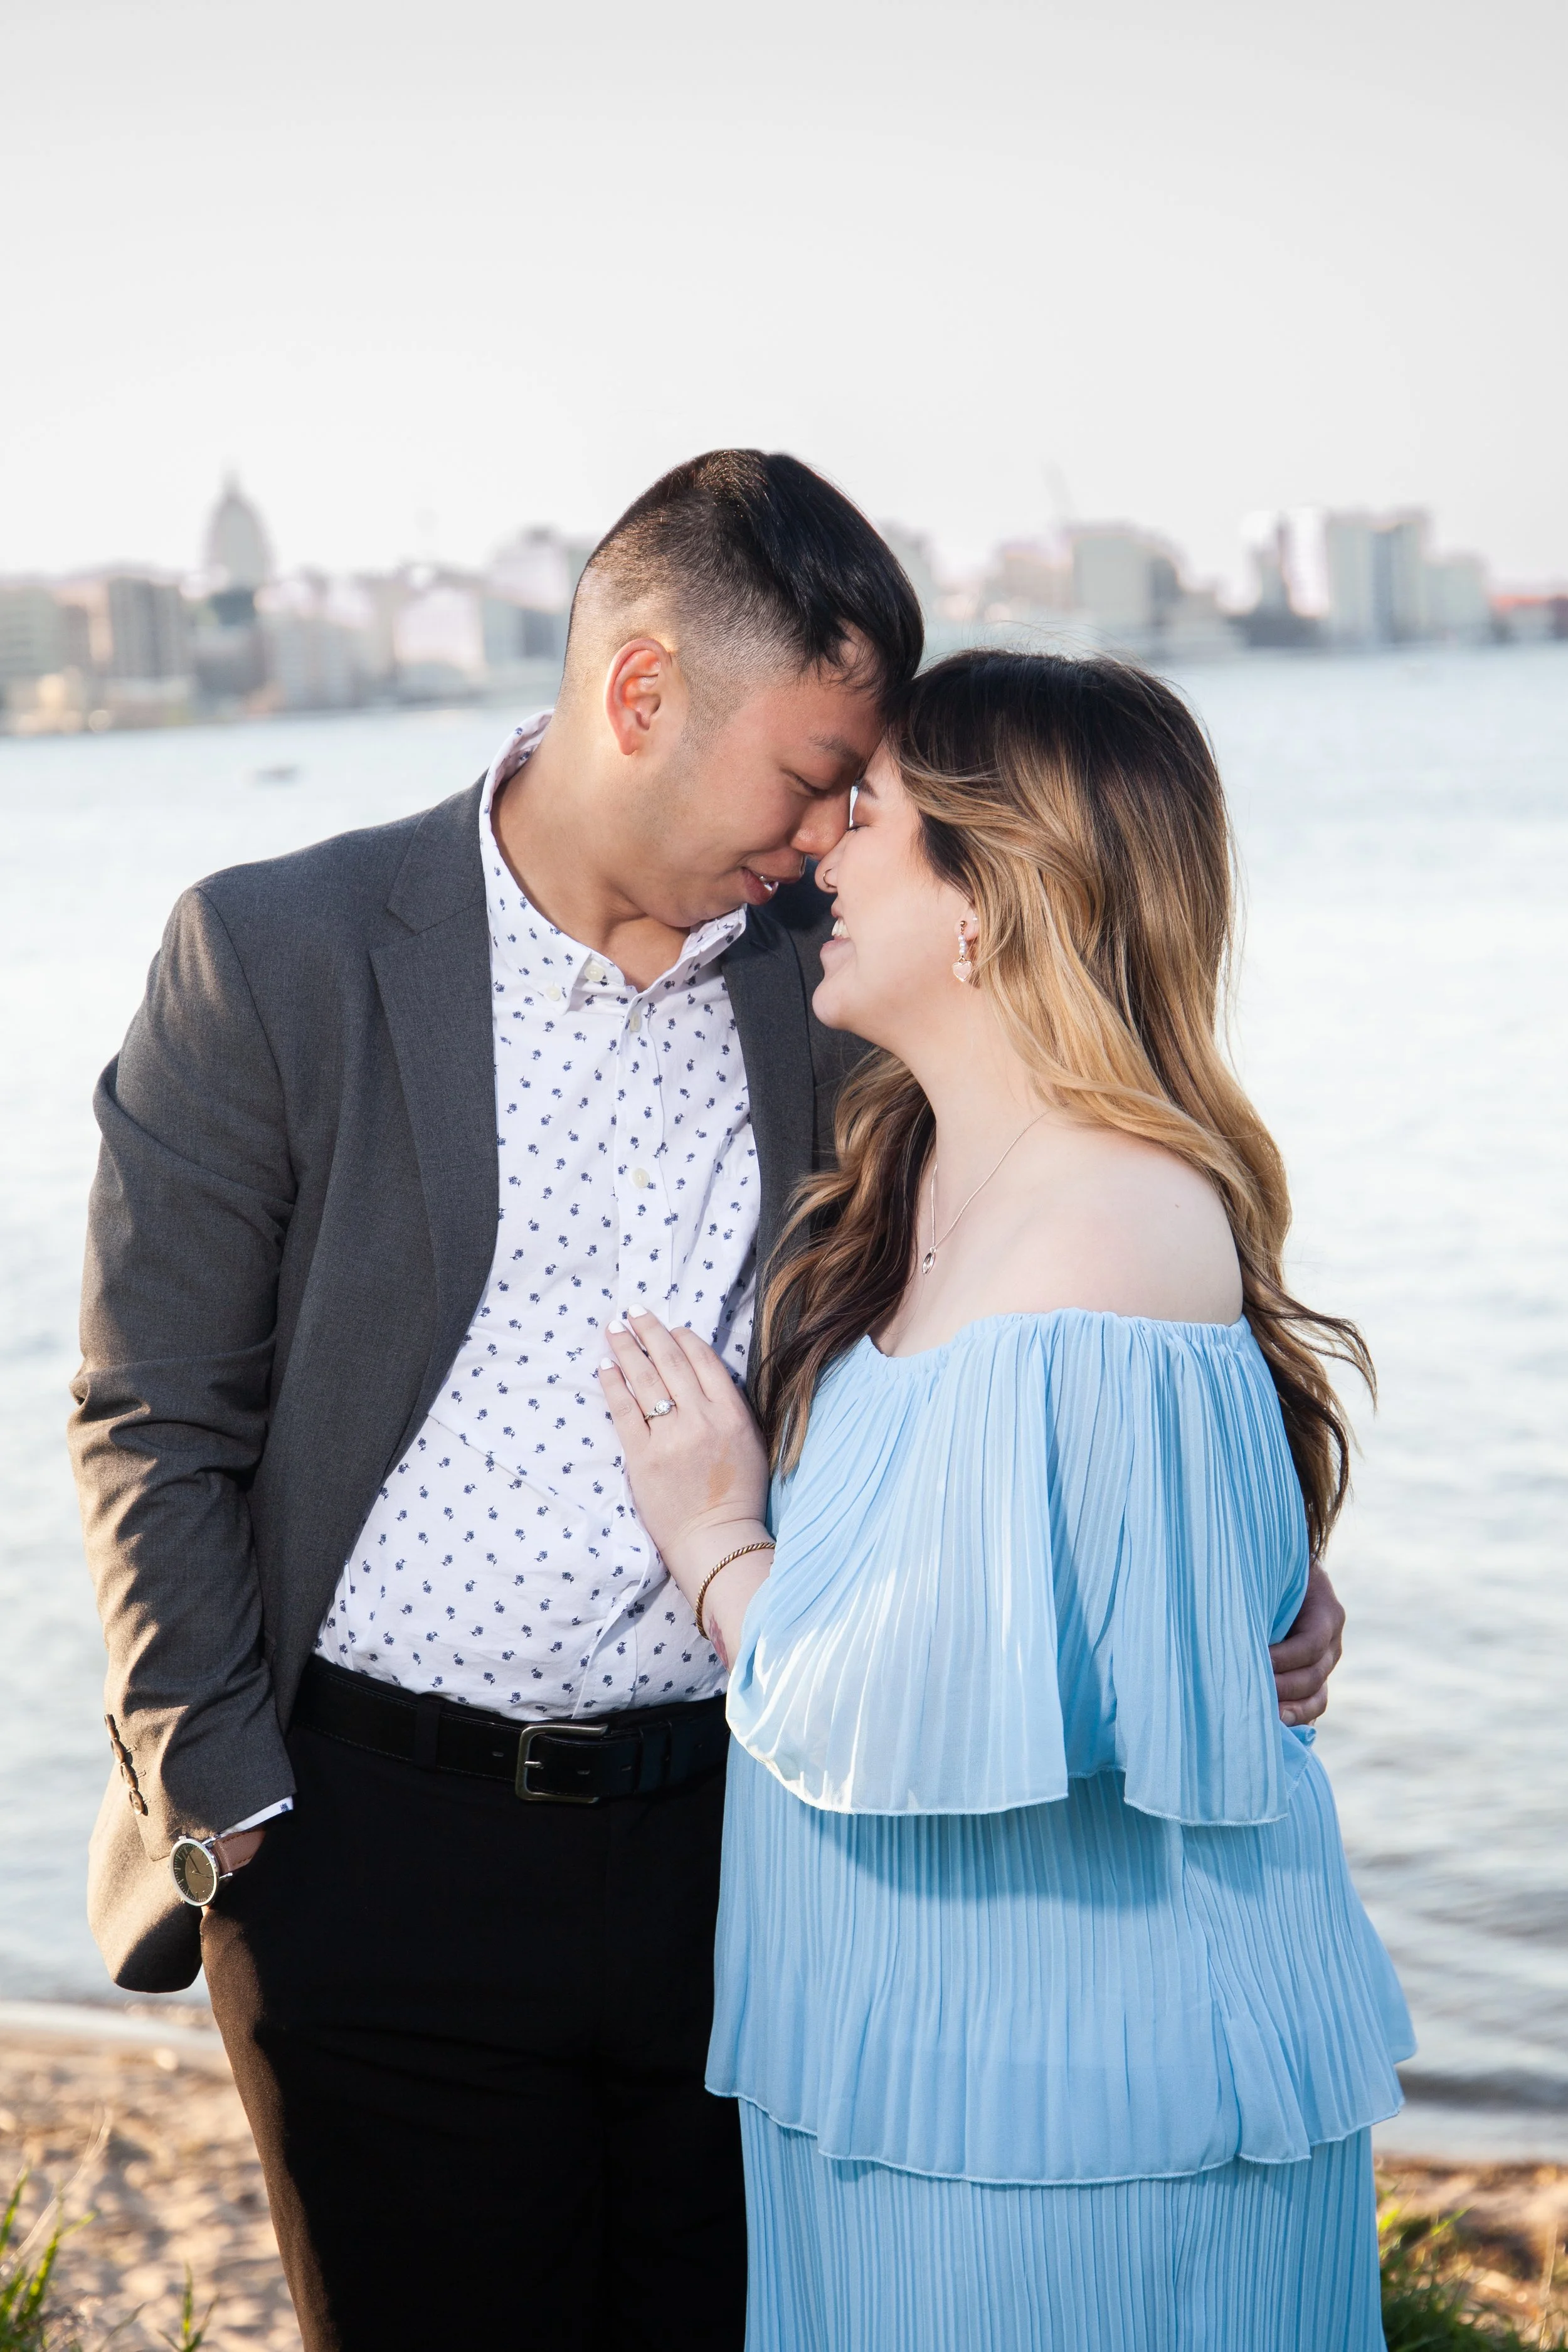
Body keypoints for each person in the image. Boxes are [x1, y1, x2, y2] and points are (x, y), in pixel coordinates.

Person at [69, 455, 1345, 2352]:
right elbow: (153, 1409)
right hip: (370, 1859)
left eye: (864, 791)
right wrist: (228, 1791)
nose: (833, 829)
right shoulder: (277, 953)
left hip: (748, 1849)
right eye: (814, 771)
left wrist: (1251, 1554)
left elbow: (1074, 1219)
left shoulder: (832, 986)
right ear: (640, 695)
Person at [598, 649, 1410, 2351]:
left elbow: (891, 1693)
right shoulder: (932, 1177)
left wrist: (710, 1534)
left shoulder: (1104, 1226)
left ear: (993, 898)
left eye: (871, 812)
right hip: (919, 2072)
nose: (822, 843)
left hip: (1075, 2124)